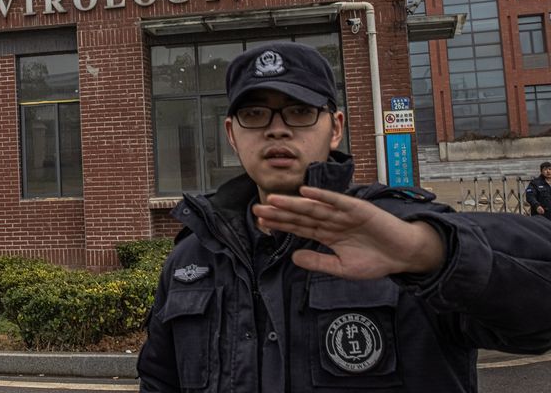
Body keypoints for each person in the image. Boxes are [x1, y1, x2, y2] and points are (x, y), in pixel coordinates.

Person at [137, 41, 551, 393]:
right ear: (232, 133)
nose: (276, 130)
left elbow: (536, 323)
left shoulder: (400, 233)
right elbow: (158, 380)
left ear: (335, 128)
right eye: (255, 114)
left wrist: (432, 253)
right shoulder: (193, 258)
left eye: (299, 111)